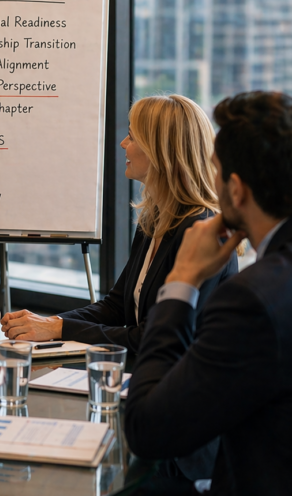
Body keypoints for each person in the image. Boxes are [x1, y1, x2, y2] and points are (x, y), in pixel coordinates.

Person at [125, 91, 292, 495]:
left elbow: (149, 430)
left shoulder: (252, 299)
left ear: (236, 190)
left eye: (216, 170)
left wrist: (183, 281)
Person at [0, 95, 238, 353]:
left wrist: (58, 329)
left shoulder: (202, 231)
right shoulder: (155, 218)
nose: (124, 143)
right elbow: (116, 307)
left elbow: (152, 336)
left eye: (132, 137)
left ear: (160, 150)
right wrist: (49, 322)